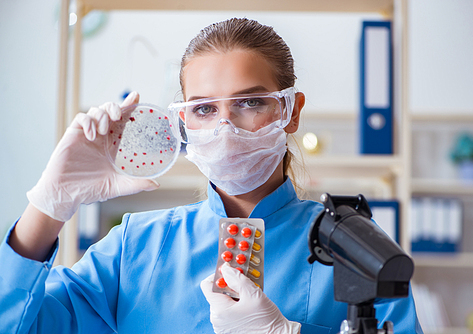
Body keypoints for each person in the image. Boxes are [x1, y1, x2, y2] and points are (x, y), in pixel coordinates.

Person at [0, 18, 423, 334]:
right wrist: (47, 207)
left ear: (291, 111)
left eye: (250, 102)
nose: (225, 127)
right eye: (203, 109)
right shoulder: (137, 247)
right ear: (183, 123)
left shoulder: (352, 245)